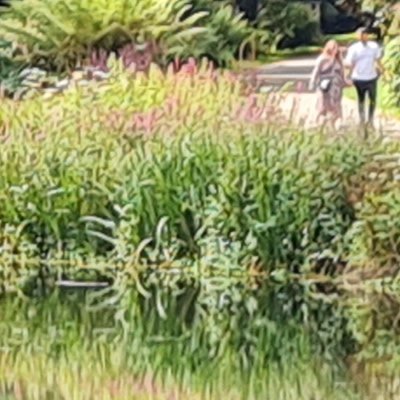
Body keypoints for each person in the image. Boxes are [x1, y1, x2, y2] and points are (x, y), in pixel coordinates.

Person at [344, 27, 384, 130]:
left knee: (373, 99)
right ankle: (362, 119)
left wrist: (383, 71)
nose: (363, 36)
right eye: (361, 35)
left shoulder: (374, 46)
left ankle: (370, 120)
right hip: (359, 78)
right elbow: (349, 63)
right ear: (357, 36)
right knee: (361, 99)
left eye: (365, 34)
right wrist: (347, 76)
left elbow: (377, 60)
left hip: (371, 77)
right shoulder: (353, 48)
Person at [309, 39, 347, 131]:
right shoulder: (322, 59)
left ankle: (335, 122)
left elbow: (342, 72)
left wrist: (344, 82)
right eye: (332, 47)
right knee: (323, 102)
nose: (334, 49)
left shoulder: (339, 59)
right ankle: (318, 121)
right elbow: (316, 71)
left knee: (336, 103)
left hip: (336, 85)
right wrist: (312, 83)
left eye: (336, 47)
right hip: (324, 83)